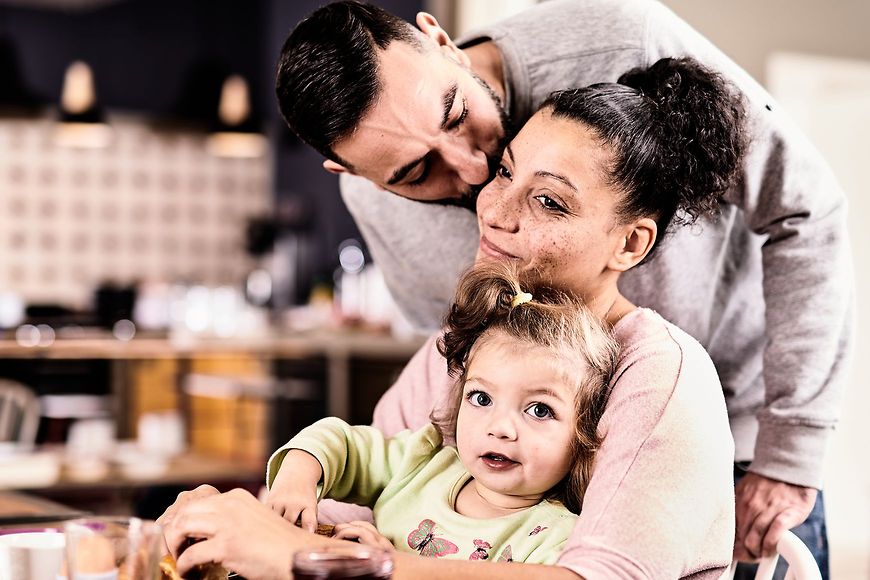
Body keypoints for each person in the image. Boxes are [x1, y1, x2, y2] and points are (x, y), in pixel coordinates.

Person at [275, 1, 853, 576]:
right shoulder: (384, 206)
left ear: (440, 39)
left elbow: (807, 210)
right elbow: (436, 394)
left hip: (730, 433)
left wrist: (789, 454)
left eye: (456, 114)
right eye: (416, 172)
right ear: (356, 177)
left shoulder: (621, 42)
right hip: (513, 488)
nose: (478, 179)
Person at [161, 55, 742, 579]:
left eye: (550, 201)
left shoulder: (661, 374)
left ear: (631, 244)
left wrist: (305, 555)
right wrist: (236, 525)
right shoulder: (465, 342)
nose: (493, 209)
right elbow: (352, 501)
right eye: (508, 172)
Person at [265, 262, 619, 563]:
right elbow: (340, 443)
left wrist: (388, 568)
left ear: (582, 434)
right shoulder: (421, 464)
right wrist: (297, 478)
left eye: (539, 409)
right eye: (481, 398)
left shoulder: (553, 541)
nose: (500, 428)